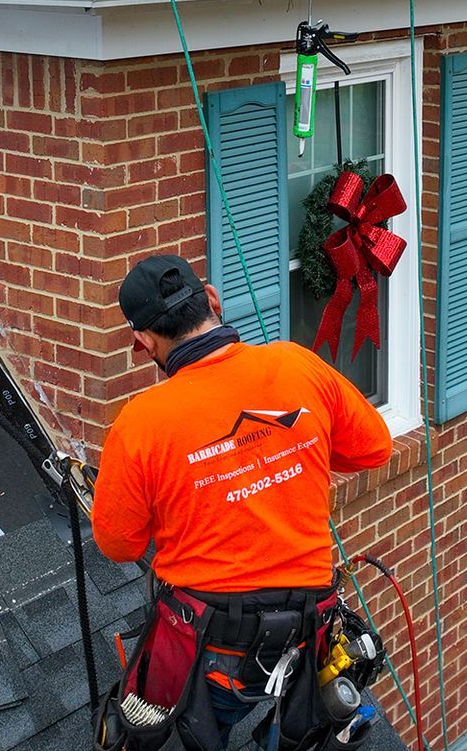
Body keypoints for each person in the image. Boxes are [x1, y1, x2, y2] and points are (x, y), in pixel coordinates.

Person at [92, 254, 393, 750]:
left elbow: (120, 545)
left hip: (209, 646)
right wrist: (285, 457)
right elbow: (374, 447)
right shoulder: (295, 364)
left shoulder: (140, 423)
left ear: (144, 342)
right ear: (212, 299)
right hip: (306, 635)